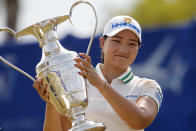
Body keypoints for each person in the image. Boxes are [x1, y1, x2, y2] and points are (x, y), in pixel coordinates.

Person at [33, 15, 163, 131]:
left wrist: (101, 84)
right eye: (116, 41)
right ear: (102, 43)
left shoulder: (148, 86)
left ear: (138, 48)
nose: (123, 49)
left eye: (132, 44)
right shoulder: (77, 83)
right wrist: (52, 102)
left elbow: (140, 121)